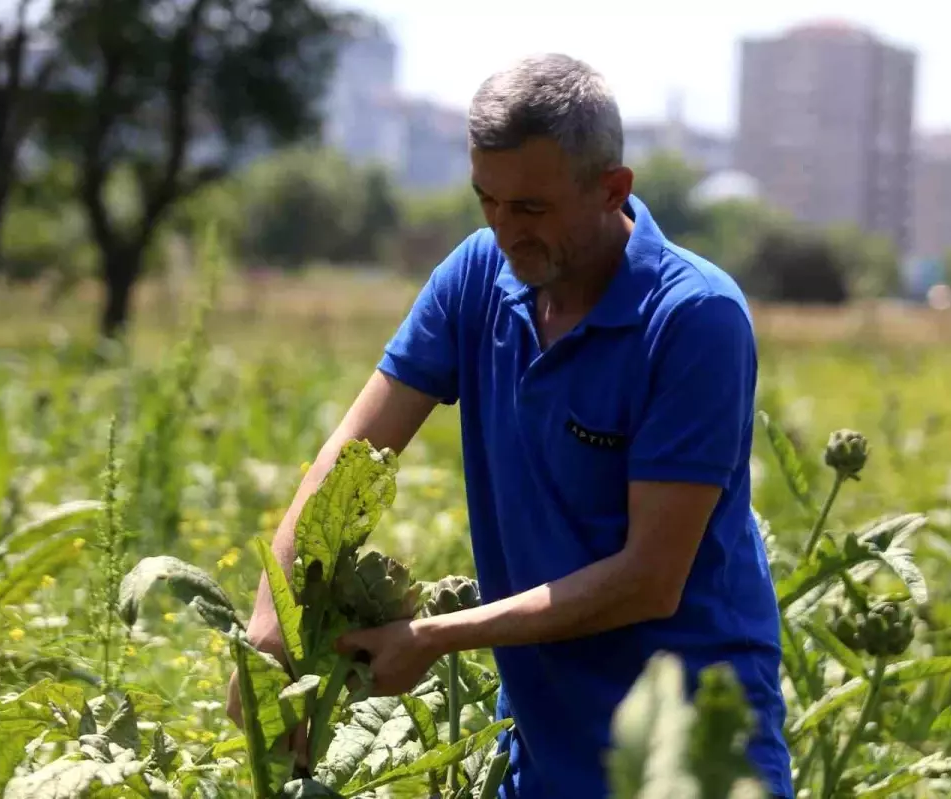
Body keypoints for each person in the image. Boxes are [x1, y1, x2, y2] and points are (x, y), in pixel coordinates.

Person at [227, 52, 794, 799]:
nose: (503, 231)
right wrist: (272, 620)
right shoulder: (476, 278)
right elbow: (356, 450)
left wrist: (433, 638)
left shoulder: (694, 318)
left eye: (530, 209)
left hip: (689, 749)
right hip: (538, 742)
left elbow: (649, 579)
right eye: (486, 200)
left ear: (612, 189)